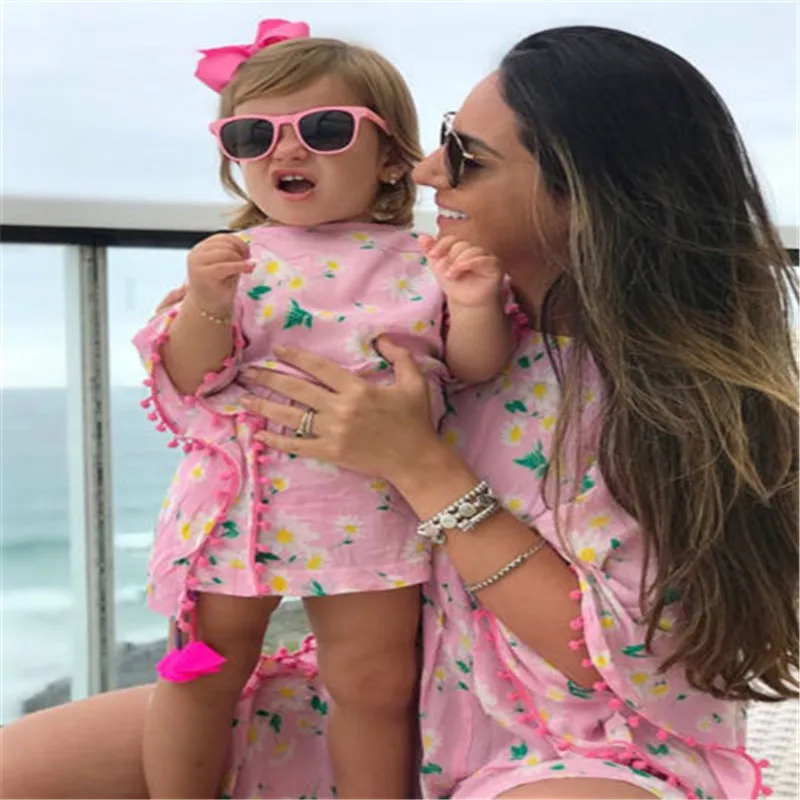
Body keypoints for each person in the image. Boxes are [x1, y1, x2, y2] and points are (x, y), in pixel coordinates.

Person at [1, 23, 797, 800]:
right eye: (443, 140)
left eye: (467, 157)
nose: (425, 170)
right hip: (413, 704)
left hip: (589, 745)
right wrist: (215, 314)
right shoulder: (433, 322)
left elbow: (618, 660)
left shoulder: (674, 398)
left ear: (585, 192)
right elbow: (207, 379)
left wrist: (416, 463)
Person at [130, 17, 515, 800]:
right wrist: (207, 303)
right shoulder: (235, 262)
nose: (288, 150)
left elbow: (474, 369)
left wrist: (475, 305)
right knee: (201, 671)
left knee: (374, 683)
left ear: (391, 158)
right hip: (241, 503)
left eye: (325, 129)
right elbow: (191, 377)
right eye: (253, 135)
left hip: (372, 503)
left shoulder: (426, 262)